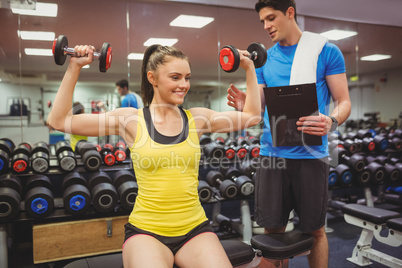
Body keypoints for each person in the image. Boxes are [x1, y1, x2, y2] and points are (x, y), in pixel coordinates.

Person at [47, 43, 261, 267]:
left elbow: (253, 116)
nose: (183, 85)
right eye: (175, 77)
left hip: (194, 228)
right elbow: (58, 121)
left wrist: (249, 68)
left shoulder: (197, 119)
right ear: (152, 78)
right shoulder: (130, 120)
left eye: (187, 77)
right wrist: (75, 67)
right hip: (147, 232)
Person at [227, 1, 351, 267]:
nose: (266, 26)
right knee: (273, 232)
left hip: (311, 156)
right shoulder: (264, 58)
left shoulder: (326, 52)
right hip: (272, 157)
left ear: (290, 13)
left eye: (271, 18)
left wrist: (331, 120)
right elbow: (257, 111)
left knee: (315, 230)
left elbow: (344, 102)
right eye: (262, 21)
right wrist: (244, 105)